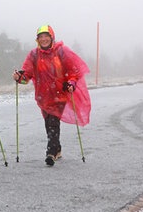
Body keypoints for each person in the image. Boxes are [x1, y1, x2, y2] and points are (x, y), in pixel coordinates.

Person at [12, 25, 91, 166]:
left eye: (46, 36)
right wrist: (19, 77)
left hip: (59, 94)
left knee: (53, 121)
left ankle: (51, 152)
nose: (43, 39)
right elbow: (27, 75)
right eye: (40, 37)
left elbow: (73, 71)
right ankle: (57, 148)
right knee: (48, 122)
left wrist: (71, 83)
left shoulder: (62, 51)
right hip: (43, 96)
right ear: (37, 40)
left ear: (51, 37)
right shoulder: (34, 55)